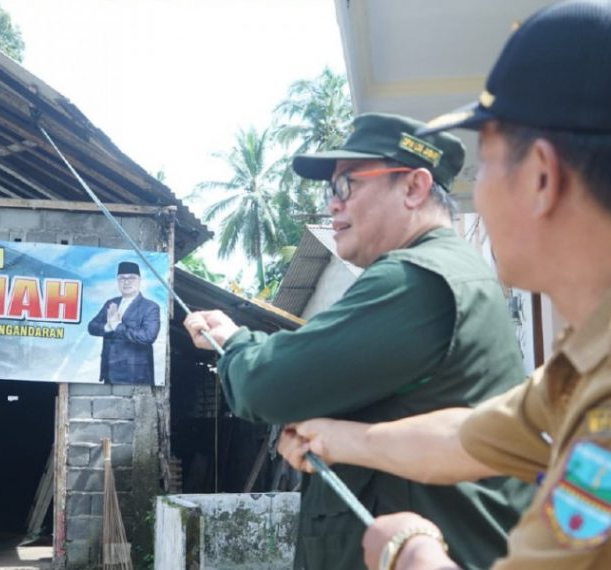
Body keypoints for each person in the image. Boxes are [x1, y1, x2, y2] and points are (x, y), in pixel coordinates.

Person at [278, 1, 611, 569]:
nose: (476, 196)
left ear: (542, 178)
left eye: (487, 164)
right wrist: (337, 438)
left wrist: (408, 550)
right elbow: (470, 436)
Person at [183, 113, 533, 570]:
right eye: (331, 190)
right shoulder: (442, 272)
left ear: (413, 188)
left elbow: (268, 386)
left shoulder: (417, 280)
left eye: (347, 185)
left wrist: (234, 341)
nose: (333, 205)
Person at [88, 261, 161, 384]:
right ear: (117, 281)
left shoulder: (150, 307)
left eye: (131, 278)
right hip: (109, 373)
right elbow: (92, 327)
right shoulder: (111, 303)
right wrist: (108, 327)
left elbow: (148, 337)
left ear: (139, 280)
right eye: (122, 278)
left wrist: (118, 326)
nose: (126, 282)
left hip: (136, 376)